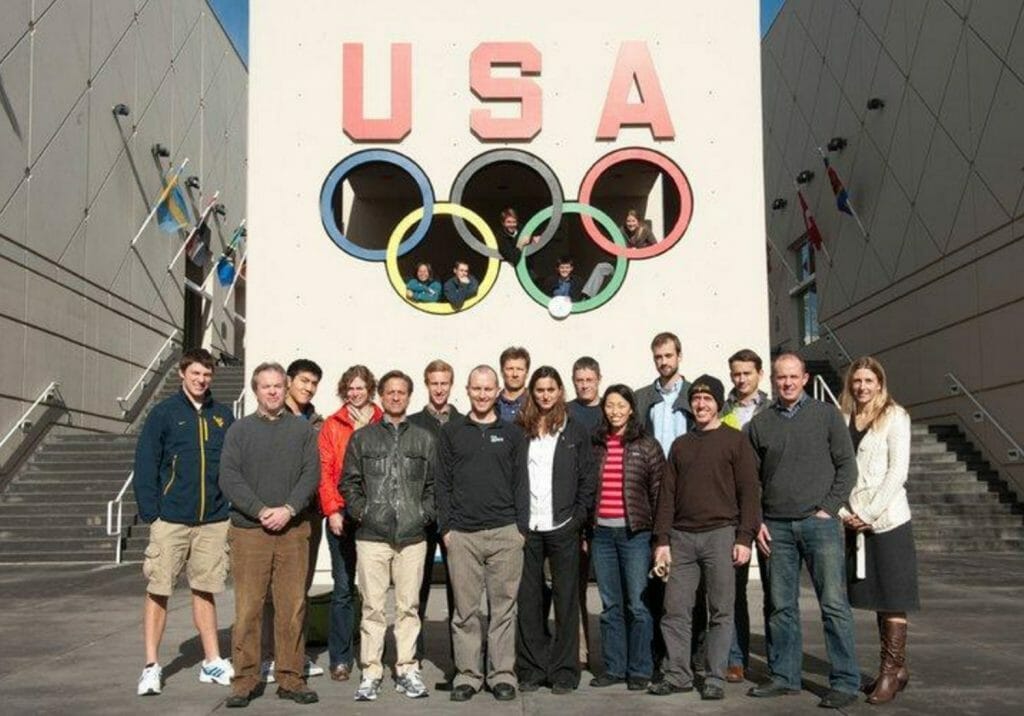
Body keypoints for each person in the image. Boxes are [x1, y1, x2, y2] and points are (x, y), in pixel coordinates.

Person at [747, 353, 859, 710]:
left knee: (834, 605)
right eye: (781, 378)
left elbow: (847, 467)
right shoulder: (760, 424)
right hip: (775, 527)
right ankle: (784, 676)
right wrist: (758, 520)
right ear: (773, 381)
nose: (788, 383)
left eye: (794, 377)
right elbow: (752, 481)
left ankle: (844, 681)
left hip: (819, 523)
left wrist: (829, 508)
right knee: (781, 606)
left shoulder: (827, 416)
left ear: (806, 378)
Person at [650, 376, 761, 700]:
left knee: (721, 611)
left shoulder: (735, 441)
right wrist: (662, 541)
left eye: (707, 399)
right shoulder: (681, 445)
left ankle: (714, 677)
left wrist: (744, 537)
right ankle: (678, 674)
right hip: (682, 538)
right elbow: (667, 497)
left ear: (717, 403)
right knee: (675, 611)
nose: (700, 404)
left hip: (721, 535)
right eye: (696, 399)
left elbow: (749, 493)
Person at [133, 348, 235, 696]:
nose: (201, 380)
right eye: (195, 374)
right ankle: (150, 666)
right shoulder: (163, 414)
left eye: (206, 375)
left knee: (206, 588)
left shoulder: (222, 415)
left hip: (213, 519)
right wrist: (153, 512)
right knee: (159, 589)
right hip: (171, 518)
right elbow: (146, 463)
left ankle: (212, 661)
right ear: (182, 374)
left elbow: (232, 465)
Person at [218, 362, 321, 707]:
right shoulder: (239, 431)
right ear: (256, 389)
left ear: (286, 387)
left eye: (278, 385)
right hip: (250, 532)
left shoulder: (303, 430)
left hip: (293, 530)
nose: (274, 391)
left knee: (292, 607)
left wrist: (289, 509)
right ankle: (245, 679)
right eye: (266, 386)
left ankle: (291, 678)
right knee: (248, 608)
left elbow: (311, 474)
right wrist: (261, 510)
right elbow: (229, 477)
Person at [342, 371, 437, 702]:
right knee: (373, 607)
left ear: (409, 397)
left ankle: (407, 668)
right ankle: (371, 671)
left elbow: (433, 487)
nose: (396, 397)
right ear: (380, 396)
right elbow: (349, 483)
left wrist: (423, 515)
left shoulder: (425, 439)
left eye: (402, 392)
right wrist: (363, 513)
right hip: (372, 536)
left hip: (412, 536)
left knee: (408, 607)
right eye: (390, 392)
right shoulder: (363, 438)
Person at [437, 365, 529, 703]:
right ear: (468, 389)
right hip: (463, 535)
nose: (483, 395)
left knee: (504, 609)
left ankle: (502, 674)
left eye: (489, 389)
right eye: (476, 388)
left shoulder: (513, 433)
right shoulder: (451, 433)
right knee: (465, 611)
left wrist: (520, 529)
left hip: (505, 533)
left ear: (497, 390)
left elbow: (522, 483)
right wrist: (446, 529)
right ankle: (468, 675)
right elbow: (442, 484)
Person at [838, 356, 919, 705]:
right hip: (854, 521)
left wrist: (868, 513)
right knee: (875, 598)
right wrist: (845, 512)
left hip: (888, 521)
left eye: (869, 381)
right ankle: (897, 669)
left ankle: (890, 671)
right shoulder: (842, 418)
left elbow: (897, 473)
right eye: (857, 381)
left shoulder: (895, 417)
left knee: (893, 597)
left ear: (880, 384)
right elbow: (837, 468)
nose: (862, 387)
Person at [515, 367, 596, 694]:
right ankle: (532, 669)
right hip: (529, 529)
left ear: (560, 391)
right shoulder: (520, 430)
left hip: (563, 527)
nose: (545, 395)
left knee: (566, 601)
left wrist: (577, 518)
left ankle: (565, 671)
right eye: (539, 390)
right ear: (532, 393)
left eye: (551, 389)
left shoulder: (574, 430)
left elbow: (587, 479)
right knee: (530, 602)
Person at [588, 384, 665, 691]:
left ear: (631, 408)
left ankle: (640, 668)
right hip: (602, 535)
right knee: (610, 606)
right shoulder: (596, 444)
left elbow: (659, 493)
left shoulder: (646, 444)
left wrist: (660, 539)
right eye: (610, 406)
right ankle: (615, 667)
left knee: (638, 604)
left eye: (621, 405)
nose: (615, 411)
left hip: (636, 535)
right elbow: (586, 490)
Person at [261, 359, 326, 684]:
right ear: (288, 380)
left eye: (314, 382)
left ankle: (293, 656)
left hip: (309, 514)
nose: (308, 387)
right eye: (304, 380)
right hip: (274, 514)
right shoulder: (273, 415)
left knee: (299, 588)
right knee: (271, 590)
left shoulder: (317, 421)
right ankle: (270, 656)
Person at [317, 365, 382, 683]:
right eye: (351, 389)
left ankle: (375, 657)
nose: (356, 393)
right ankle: (340, 658)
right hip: (342, 513)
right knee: (343, 588)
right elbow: (325, 470)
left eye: (361, 388)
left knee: (376, 592)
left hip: (375, 517)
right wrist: (332, 510)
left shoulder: (383, 420)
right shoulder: (333, 424)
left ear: (370, 389)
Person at [408, 360, 460, 671]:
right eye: (434, 383)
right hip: (422, 516)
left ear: (451, 385)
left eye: (444, 383)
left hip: (455, 517)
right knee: (418, 585)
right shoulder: (414, 423)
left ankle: (460, 653)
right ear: (427, 384)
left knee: (459, 587)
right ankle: (414, 650)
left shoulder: (464, 422)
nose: (439, 389)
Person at [721, 349, 770, 683]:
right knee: (733, 590)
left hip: (771, 510)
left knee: (776, 592)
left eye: (747, 373)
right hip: (734, 512)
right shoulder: (725, 411)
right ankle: (735, 658)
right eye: (736, 374)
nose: (741, 380)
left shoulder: (773, 410)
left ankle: (779, 661)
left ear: (759, 374)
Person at [634, 332, 694, 452]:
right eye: (658, 357)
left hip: (686, 468)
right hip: (653, 469)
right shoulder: (640, 397)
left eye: (668, 355)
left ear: (679, 356)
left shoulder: (694, 394)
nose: (664, 362)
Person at [567, 356, 602, 433]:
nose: (584, 386)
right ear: (573, 381)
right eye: (579, 380)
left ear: (599, 379)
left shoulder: (609, 409)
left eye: (589, 380)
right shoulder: (565, 411)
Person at [497, 346, 530, 423]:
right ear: (502, 372)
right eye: (510, 369)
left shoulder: (536, 404)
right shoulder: (492, 406)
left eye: (520, 369)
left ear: (527, 373)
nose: (515, 374)